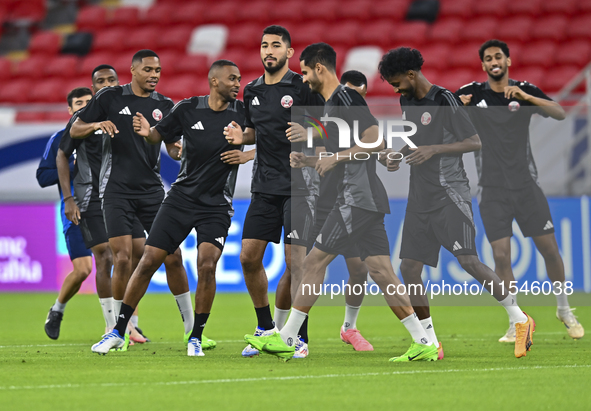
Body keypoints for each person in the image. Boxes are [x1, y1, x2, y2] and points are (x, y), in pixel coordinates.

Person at [245, 43, 438, 362]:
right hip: (362, 199)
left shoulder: (346, 98)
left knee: (313, 263)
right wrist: (309, 161)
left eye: (305, 71)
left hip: (355, 198)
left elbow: (375, 137)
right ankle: (424, 341)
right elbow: (364, 147)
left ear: (319, 68)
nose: (303, 79)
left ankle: (287, 336)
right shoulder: (330, 107)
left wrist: (336, 158)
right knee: (382, 272)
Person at [378, 46, 535, 358]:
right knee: (409, 268)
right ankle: (429, 343)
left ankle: (520, 319)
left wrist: (433, 150)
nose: (394, 88)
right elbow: (415, 138)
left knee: (468, 260)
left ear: (411, 74)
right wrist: (396, 153)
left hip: (449, 192)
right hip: (419, 194)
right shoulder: (406, 99)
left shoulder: (443, 99)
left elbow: (473, 141)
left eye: (396, 82)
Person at [90, 60, 245, 356]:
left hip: (216, 204)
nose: (238, 83)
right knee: (148, 260)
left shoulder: (242, 111)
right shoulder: (187, 108)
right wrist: (149, 132)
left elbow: (269, 134)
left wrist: (247, 153)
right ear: (215, 81)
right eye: (233, 79)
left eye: (239, 79)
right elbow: (160, 137)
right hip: (181, 199)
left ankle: (195, 336)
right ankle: (118, 331)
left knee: (207, 264)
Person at [456, 39, 584, 341]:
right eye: (487, 58)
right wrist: (457, 110)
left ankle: (564, 309)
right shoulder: (473, 94)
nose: (493, 61)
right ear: (483, 65)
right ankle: (516, 321)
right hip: (492, 190)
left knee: (550, 250)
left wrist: (527, 96)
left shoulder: (524, 91)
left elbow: (560, 113)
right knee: (501, 257)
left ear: (508, 61)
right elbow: (443, 112)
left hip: (526, 186)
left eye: (498, 56)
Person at [69, 50, 194, 348]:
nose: (154, 74)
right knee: (122, 258)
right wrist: (97, 125)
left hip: (151, 191)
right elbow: (75, 128)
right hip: (115, 191)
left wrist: (178, 151)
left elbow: (173, 146)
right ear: (133, 70)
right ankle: (116, 331)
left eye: (158, 70)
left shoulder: (164, 105)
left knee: (173, 256)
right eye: (148, 69)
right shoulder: (110, 98)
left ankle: (193, 330)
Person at [224, 26, 322, 359]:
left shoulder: (302, 86)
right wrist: (242, 138)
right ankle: (266, 329)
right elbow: (253, 131)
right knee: (249, 258)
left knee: (297, 265)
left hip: (299, 187)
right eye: (264, 45)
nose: (269, 51)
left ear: (289, 53)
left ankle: (299, 337)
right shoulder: (250, 91)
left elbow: (328, 126)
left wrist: (309, 130)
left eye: (276, 46)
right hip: (263, 188)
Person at [57, 65, 150, 342]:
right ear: (94, 87)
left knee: (137, 254)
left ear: (119, 81)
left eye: (112, 79)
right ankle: (112, 326)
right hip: (91, 198)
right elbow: (62, 155)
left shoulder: (128, 113)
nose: (107, 83)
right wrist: (68, 198)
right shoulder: (81, 121)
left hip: (124, 196)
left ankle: (130, 322)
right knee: (106, 258)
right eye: (101, 81)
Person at [37, 87, 94, 340]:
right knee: (83, 270)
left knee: (123, 262)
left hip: (109, 208)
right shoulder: (61, 138)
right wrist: (72, 165)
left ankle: (125, 325)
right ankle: (57, 309)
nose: (83, 106)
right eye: (78, 103)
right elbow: (42, 176)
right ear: (70, 110)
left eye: (88, 102)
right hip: (76, 211)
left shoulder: (107, 133)